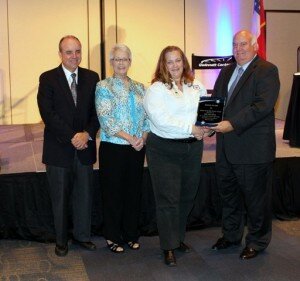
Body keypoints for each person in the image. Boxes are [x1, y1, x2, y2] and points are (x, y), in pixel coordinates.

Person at [210, 30, 280, 259]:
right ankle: (231, 236)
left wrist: (232, 123)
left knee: (255, 200)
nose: (238, 49)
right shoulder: (227, 70)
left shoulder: (267, 70)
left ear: (255, 46)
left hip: (252, 150)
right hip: (226, 149)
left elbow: (262, 106)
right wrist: (206, 121)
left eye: (243, 44)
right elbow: (216, 102)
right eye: (235, 45)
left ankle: (257, 241)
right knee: (229, 196)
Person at [143, 46, 208, 266]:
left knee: (187, 196)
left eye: (178, 61)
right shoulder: (156, 89)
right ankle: (168, 246)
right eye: (169, 62)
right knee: (168, 199)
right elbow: (161, 120)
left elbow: (205, 113)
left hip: (192, 149)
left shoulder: (196, 85)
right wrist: (191, 128)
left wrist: (207, 127)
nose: (174, 66)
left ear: (184, 62)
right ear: (163, 65)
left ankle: (178, 238)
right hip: (164, 150)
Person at [37, 35, 99, 257]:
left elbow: (97, 112)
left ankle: (83, 237)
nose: (74, 56)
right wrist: (73, 136)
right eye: (69, 52)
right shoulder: (48, 78)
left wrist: (87, 134)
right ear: (60, 54)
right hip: (58, 149)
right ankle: (61, 241)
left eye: (78, 51)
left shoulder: (93, 77)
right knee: (60, 199)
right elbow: (48, 114)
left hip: (85, 148)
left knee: (84, 196)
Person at [95, 44, 149, 253]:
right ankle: (112, 236)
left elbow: (147, 118)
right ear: (111, 62)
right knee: (113, 193)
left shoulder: (140, 87)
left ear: (130, 61)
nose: (121, 63)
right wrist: (130, 138)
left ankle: (131, 234)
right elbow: (106, 119)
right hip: (113, 148)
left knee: (132, 192)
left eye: (124, 59)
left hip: (136, 148)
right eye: (117, 59)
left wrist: (142, 138)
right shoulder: (103, 86)